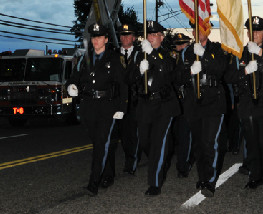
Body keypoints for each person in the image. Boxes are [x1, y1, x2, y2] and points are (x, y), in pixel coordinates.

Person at [68, 23, 128, 196]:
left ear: (106, 39)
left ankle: (93, 183)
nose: (96, 40)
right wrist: (71, 86)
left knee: (102, 143)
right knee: (99, 144)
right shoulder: (84, 58)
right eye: (93, 37)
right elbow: (74, 77)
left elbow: (123, 85)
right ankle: (107, 174)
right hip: (89, 106)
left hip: (107, 107)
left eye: (99, 37)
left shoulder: (114, 59)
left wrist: (121, 107)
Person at [228, 16, 263, 197]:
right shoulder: (239, 53)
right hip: (247, 104)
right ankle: (255, 176)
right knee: (251, 144)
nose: (255, 34)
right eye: (251, 31)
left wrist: (260, 55)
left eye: (258, 31)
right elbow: (229, 77)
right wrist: (245, 71)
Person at [179, 22, 229, 197]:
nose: (196, 32)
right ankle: (202, 176)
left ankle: (210, 180)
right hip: (193, 101)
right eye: (194, 29)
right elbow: (178, 76)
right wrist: (190, 73)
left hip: (213, 101)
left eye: (200, 29)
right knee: (199, 144)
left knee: (210, 143)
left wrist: (205, 58)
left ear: (207, 30)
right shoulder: (186, 51)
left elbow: (222, 69)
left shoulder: (217, 49)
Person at [135, 20, 181, 195]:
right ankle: (162, 158)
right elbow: (129, 78)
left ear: (161, 38)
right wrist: (139, 70)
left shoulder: (168, 56)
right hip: (145, 105)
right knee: (146, 141)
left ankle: (155, 183)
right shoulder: (139, 55)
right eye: (149, 35)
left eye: (155, 35)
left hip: (164, 106)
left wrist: (152, 55)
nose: (151, 38)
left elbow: (168, 73)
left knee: (158, 143)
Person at [117, 22, 141, 175]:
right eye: (123, 35)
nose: (125, 38)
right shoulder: (113, 55)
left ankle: (131, 162)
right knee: (123, 134)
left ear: (133, 37)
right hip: (119, 101)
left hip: (136, 100)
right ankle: (129, 157)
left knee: (135, 133)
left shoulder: (140, 54)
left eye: (128, 35)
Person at [170, 32, 194, 178]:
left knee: (185, 134)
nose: (180, 47)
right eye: (178, 45)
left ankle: (184, 164)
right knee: (176, 134)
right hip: (173, 101)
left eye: (183, 44)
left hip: (187, 100)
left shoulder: (191, 58)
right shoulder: (171, 58)